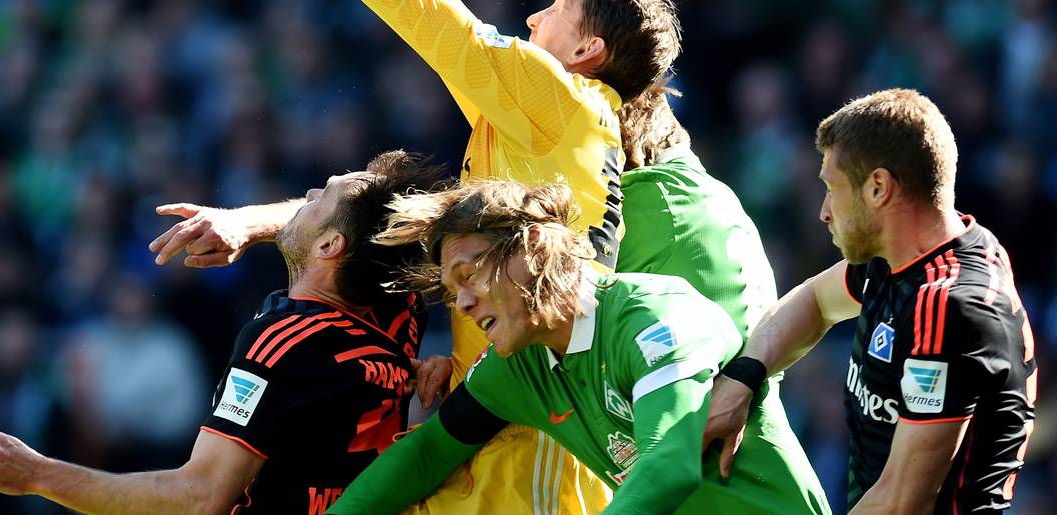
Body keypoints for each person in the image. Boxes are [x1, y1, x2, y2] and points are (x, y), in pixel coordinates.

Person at [147, 0, 683, 511]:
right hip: (497, 428)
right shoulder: (546, 122)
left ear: (586, 51)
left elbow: (422, 9)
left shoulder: (560, 102)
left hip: (533, 460)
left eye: (558, 6)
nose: (531, 17)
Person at [0, 151, 450, 514]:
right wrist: (243, 222)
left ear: (329, 245)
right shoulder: (401, 309)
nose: (307, 195)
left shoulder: (285, 340)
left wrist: (38, 474)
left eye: (324, 195)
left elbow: (199, 497)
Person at [328, 180, 830, 514]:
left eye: (469, 274)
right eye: (451, 287)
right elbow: (429, 451)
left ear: (534, 247)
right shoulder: (520, 366)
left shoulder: (651, 316)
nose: (459, 302)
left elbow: (669, 464)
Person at [703, 89, 1037, 513]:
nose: (824, 210)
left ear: (878, 187)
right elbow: (815, 301)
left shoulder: (949, 307)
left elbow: (902, 502)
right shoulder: (901, 255)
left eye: (831, 187)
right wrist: (743, 379)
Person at [615, 86, 829, 509]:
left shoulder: (654, 213)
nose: (826, 211)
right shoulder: (713, 200)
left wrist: (747, 374)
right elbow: (823, 292)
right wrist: (749, 372)